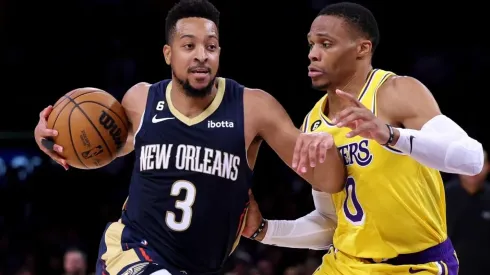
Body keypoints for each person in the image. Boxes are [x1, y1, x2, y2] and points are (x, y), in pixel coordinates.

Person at [33, 1, 347, 274]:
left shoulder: (254, 107)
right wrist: (46, 137)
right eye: (188, 46)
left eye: (210, 47)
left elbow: (331, 181)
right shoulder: (142, 101)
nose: (201, 56)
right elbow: (99, 148)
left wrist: (324, 147)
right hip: (133, 250)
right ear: (168, 54)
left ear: (219, 52)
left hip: (203, 266)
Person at [242, 2, 484, 275]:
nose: (313, 54)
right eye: (311, 44)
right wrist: (264, 230)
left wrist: (390, 135)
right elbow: (330, 223)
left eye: (326, 44)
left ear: (362, 49)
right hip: (343, 264)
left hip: (415, 265)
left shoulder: (395, 92)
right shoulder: (312, 123)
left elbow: (472, 160)